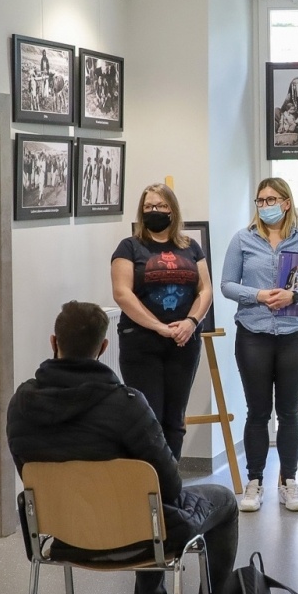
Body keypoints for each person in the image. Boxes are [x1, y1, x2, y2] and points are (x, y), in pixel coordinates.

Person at [7, 302, 238, 594]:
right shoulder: (127, 404)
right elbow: (171, 487)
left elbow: (29, 473)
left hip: (64, 539)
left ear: (54, 341)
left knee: (144, 509)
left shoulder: (22, 403)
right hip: (138, 539)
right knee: (218, 502)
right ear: (103, 348)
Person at [219, 178, 298, 514]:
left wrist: (296, 295)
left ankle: (289, 482)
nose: (264, 205)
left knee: (289, 412)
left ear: (285, 203)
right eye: (260, 200)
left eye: (271, 199)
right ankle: (254, 482)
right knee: (257, 412)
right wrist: (257, 295)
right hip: (253, 332)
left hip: (294, 333)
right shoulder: (243, 239)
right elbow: (226, 284)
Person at [111, 184, 213, 459]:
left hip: (183, 341)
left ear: (173, 210)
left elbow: (205, 290)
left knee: (175, 420)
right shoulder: (129, 247)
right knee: (149, 419)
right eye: (148, 207)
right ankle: (149, 489)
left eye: (160, 206)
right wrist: (158, 326)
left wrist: (191, 322)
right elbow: (122, 293)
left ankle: (171, 486)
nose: (154, 211)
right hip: (141, 342)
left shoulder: (191, 247)